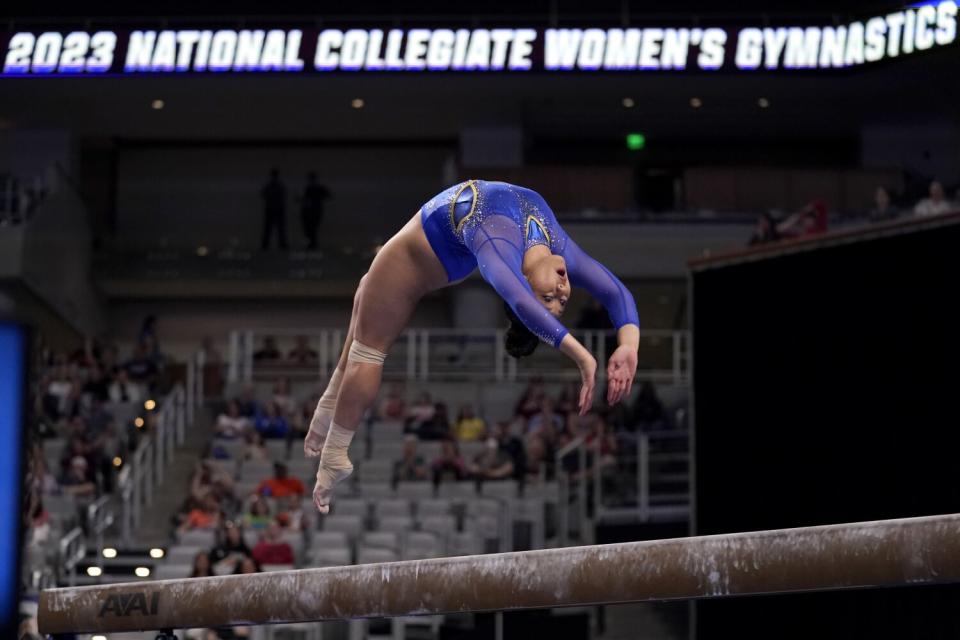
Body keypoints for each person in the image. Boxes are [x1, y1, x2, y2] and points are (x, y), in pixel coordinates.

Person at [302, 179, 639, 513]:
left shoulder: (499, 245)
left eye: (550, 297)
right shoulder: (558, 247)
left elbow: (523, 304)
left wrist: (583, 357)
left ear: (524, 280)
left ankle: (334, 456)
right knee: (365, 296)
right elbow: (616, 292)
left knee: (369, 348)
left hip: (418, 259)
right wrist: (628, 346)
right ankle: (328, 406)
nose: (562, 292)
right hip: (448, 246)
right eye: (556, 301)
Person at [299, 172, 331, 250]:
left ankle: (311, 244)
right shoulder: (319, 187)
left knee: (309, 228)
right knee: (313, 228)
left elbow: (302, 198)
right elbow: (328, 195)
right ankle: (313, 243)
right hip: (316, 211)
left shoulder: (308, 188)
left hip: (309, 211)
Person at [261, 168, 288, 250]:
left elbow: (263, 194)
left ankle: (266, 244)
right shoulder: (278, 185)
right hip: (277, 209)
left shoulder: (270, 185)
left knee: (270, 228)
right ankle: (281, 244)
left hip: (272, 209)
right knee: (278, 228)